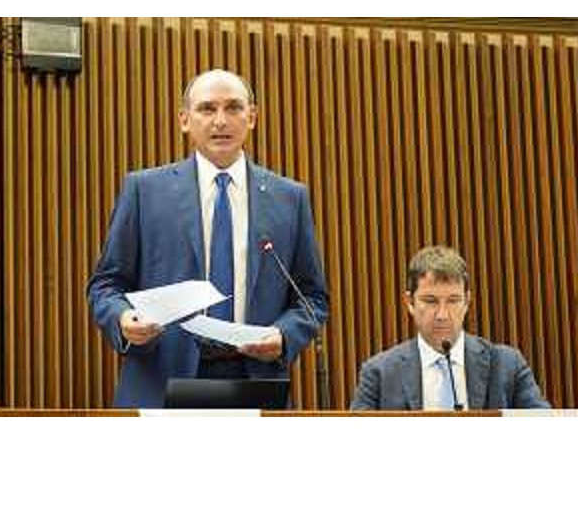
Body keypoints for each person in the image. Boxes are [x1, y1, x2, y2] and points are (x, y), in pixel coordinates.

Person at [87, 69, 328, 408]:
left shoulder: (289, 198)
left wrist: (284, 336)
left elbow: (311, 297)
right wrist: (124, 319)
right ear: (184, 120)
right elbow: (106, 284)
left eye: (233, 108)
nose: (220, 121)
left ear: (252, 117)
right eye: (207, 109)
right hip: (161, 380)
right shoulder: (144, 191)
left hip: (254, 381)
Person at [351, 245, 550, 410]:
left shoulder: (507, 366)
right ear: (410, 302)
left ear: (467, 302)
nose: (442, 315)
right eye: (430, 301)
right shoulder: (379, 373)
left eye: (453, 301)